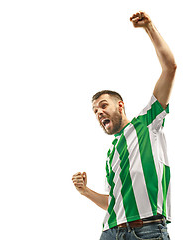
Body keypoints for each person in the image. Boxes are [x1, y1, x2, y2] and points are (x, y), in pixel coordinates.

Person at [72, 11, 176, 240]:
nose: (99, 113)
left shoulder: (148, 123)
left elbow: (170, 68)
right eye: (95, 111)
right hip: (110, 232)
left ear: (120, 106)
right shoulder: (112, 152)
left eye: (103, 105)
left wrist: (149, 27)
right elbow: (112, 203)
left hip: (145, 231)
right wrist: (85, 191)